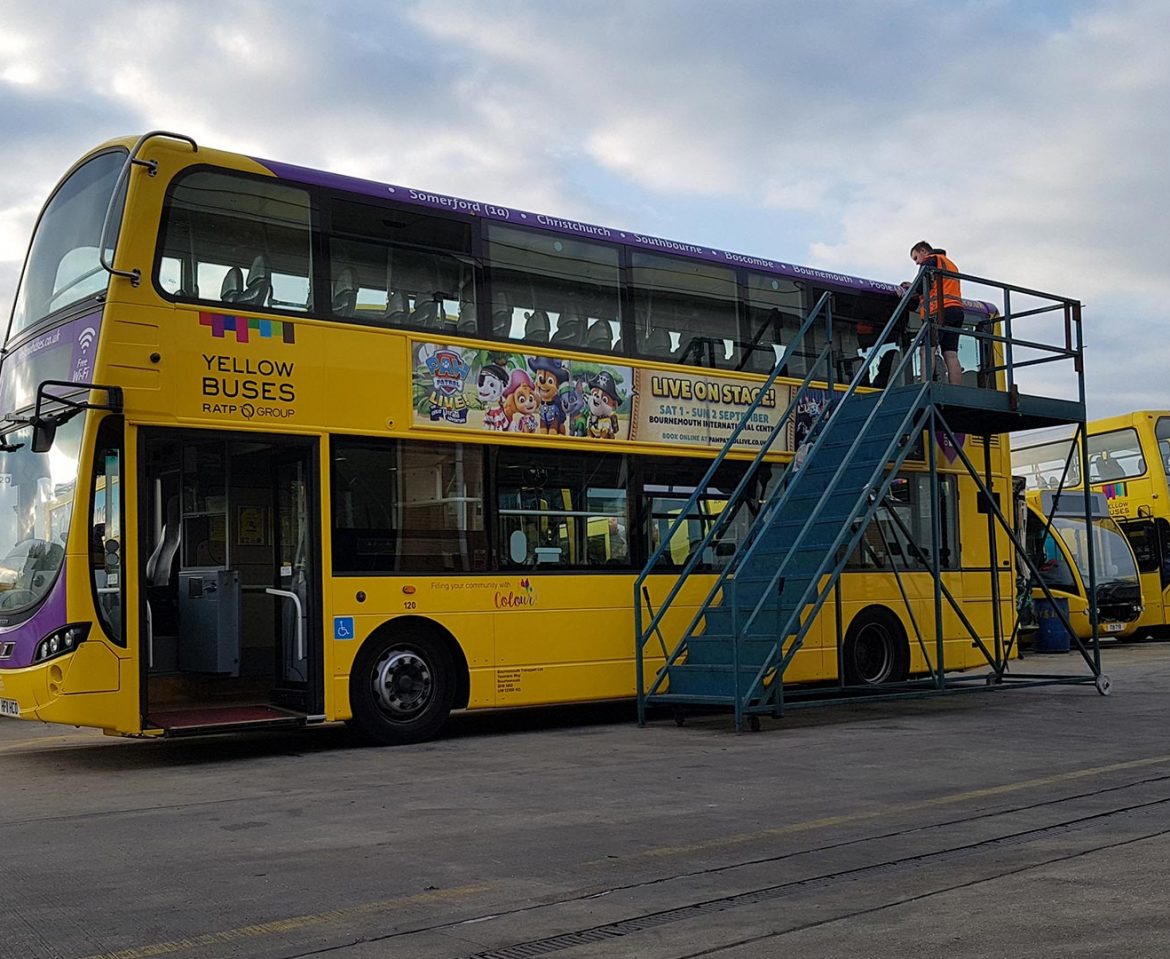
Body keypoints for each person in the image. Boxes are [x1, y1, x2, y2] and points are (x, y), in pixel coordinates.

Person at [900, 241, 964, 386]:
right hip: (956, 310)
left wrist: (912, 289)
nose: (917, 263)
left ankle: (924, 386)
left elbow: (923, 284)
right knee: (951, 353)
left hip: (939, 311)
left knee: (927, 350)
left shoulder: (930, 260)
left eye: (916, 258)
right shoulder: (949, 264)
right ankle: (956, 389)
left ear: (923, 251)